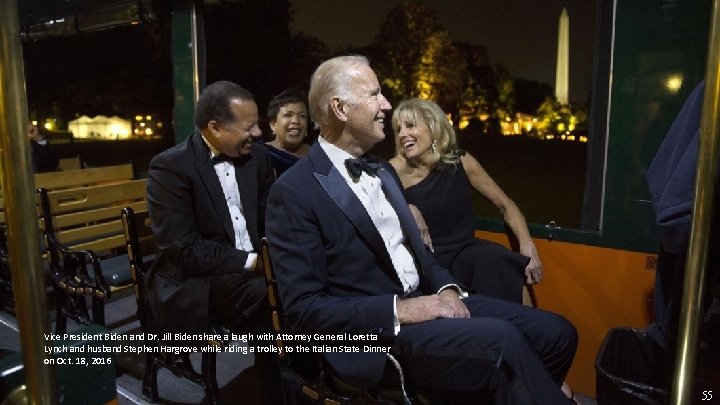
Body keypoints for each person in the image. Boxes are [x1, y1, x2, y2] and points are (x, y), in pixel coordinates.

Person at [266, 55, 577, 404]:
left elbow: (423, 257)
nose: (386, 104)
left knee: (557, 333)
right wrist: (402, 310)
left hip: (428, 301)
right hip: (375, 334)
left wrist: (445, 286)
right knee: (503, 341)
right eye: (374, 95)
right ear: (339, 108)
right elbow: (304, 311)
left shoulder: (382, 173)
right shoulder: (294, 191)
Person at [145, 81, 278, 401]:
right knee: (274, 298)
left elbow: (270, 220)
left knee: (302, 285)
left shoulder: (258, 159)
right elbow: (184, 250)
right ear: (215, 128)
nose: (259, 133)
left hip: (251, 267)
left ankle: (293, 375)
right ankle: (278, 388)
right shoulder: (170, 167)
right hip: (197, 280)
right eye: (249, 127)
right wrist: (255, 262)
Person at [389, 98, 542, 304]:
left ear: (433, 127)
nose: (402, 134)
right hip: (427, 260)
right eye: (398, 129)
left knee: (499, 260)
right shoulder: (393, 170)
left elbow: (507, 206)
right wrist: (408, 207)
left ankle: (533, 329)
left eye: (410, 126)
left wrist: (527, 245)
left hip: (465, 252)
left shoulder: (460, 161)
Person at [264, 88, 310, 176]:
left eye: (302, 116)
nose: (296, 121)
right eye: (288, 115)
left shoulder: (317, 155)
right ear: (273, 124)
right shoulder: (263, 155)